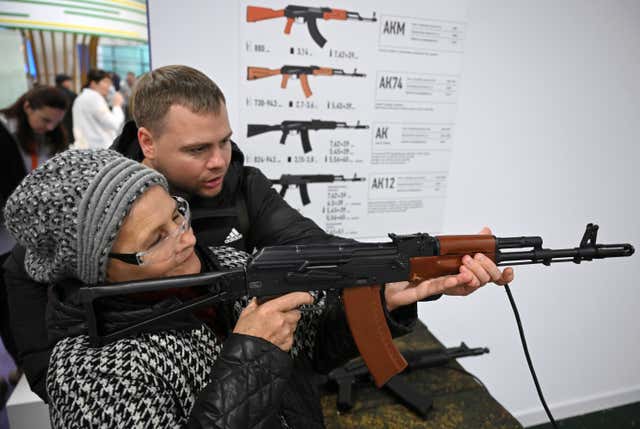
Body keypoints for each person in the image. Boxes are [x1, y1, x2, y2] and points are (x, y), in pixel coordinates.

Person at [4, 65, 513, 401]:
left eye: (226, 141)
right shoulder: (85, 211)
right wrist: (70, 387)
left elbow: (311, 245)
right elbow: (36, 306)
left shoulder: (241, 189)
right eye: (199, 149)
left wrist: (390, 277)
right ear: (147, 141)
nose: (220, 160)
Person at [3, 149, 419, 427]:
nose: (186, 238)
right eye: (155, 240)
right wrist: (252, 357)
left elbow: (310, 347)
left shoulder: (222, 266)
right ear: (95, 270)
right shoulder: (87, 373)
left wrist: (381, 304)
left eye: (177, 214)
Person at [0, 86, 69, 386]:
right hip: (7, 240)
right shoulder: (5, 135)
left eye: (55, 122)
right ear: (27, 107)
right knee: (10, 308)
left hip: (38, 238)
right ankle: (24, 368)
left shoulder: (52, 138)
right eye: (44, 120)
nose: (49, 127)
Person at [71, 69, 124, 149]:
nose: (109, 87)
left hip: (88, 148)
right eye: (106, 82)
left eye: (110, 83)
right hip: (97, 150)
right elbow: (114, 123)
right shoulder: (93, 97)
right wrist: (117, 105)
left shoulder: (83, 97)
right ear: (93, 84)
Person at [54, 74, 77, 144]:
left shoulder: (52, 92)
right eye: (69, 81)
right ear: (64, 82)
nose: (70, 83)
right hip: (68, 120)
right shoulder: (71, 94)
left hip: (54, 121)